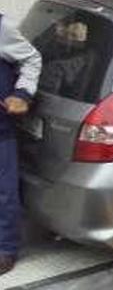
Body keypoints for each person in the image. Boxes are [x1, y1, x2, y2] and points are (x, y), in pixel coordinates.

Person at [0, 14, 42, 276]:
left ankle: (6, 248)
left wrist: (22, 93)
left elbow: (31, 58)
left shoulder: (1, 28)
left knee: (4, 193)